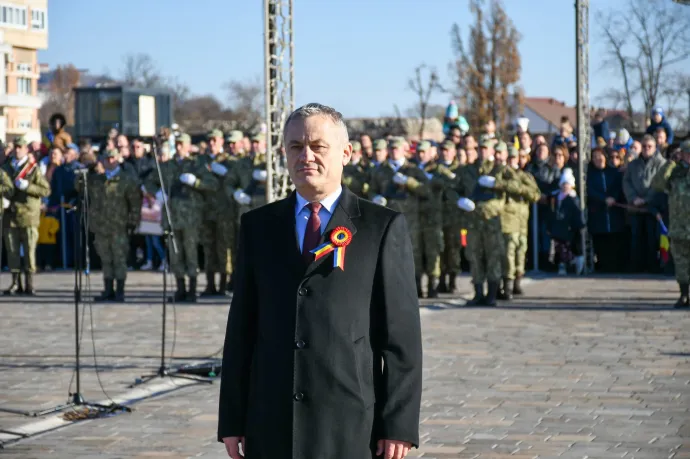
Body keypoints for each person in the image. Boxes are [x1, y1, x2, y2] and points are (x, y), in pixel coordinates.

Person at [218, 103, 422, 459]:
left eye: (318, 146)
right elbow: (241, 332)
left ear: (346, 153)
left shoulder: (381, 227)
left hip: (348, 423)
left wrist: (398, 425)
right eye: (295, 147)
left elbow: (401, 339)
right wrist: (233, 418)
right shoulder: (258, 226)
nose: (306, 156)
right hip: (272, 421)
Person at [144, 133, 218, 302]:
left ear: (187, 146)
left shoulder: (196, 165)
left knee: (190, 253)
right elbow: (149, 181)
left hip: (191, 217)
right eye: (176, 144)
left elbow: (212, 184)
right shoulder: (167, 166)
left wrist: (196, 183)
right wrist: (156, 193)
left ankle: (192, 289)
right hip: (171, 216)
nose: (178, 148)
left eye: (181, 144)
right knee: (175, 254)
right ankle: (180, 289)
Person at [455, 140, 521, 306]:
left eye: (486, 148)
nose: (483, 151)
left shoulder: (500, 170)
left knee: (493, 257)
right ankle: (478, 293)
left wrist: (496, 183)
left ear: (492, 150)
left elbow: (517, 186)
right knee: (475, 256)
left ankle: (492, 294)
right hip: (473, 221)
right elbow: (452, 188)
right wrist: (458, 200)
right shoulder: (467, 170)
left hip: (492, 221)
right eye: (480, 148)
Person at [369, 136, 431, 297]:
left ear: (404, 150)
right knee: (387, 252)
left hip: (410, 219)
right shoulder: (380, 171)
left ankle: (415, 287)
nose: (395, 151)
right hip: (386, 219)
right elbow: (371, 190)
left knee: (413, 253)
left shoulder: (413, 170)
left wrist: (409, 182)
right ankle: (390, 289)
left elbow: (426, 191)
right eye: (392, 148)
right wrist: (375, 197)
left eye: (398, 148)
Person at [79, 149, 142, 302]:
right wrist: (86, 171)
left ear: (118, 159)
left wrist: (133, 222)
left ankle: (120, 290)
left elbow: (135, 203)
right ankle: (108, 289)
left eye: (112, 158)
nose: (110, 161)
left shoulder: (126, 179)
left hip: (119, 226)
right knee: (106, 259)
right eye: (107, 158)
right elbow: (79, 187)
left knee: (119, 259)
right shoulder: (97, 179)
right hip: (101, 226)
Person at [2, 136, 51, 295]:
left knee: (29, 251)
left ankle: (29, 283)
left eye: (21, 147)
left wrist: (28, 186)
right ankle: (16, 282)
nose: (17, 150)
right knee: (12, 251)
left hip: (29, 215)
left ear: (26, 150)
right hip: (10, 215)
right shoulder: (5, 168)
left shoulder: (33, 169)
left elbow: (45, 190)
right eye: (15, 147)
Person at [652, 140, 690, 307]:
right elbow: (657, 184)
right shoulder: (675, 172)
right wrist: (670, 163)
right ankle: (684, 295)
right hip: (679, 226)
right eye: (685, 153)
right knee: (681, 264)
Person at [499, 147, 540, 299]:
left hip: (522, 220)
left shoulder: (525, 176)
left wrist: (519, 188)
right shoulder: (501, 175)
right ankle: (507, 284)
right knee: (508, 251)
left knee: (521, 251)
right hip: (506, 220)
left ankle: (517, 281)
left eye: (514, 157)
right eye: (509, 157)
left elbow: (535, 194)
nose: (512, 160)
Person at [623, 135, 667, 273]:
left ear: (655, 148)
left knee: (651, 239)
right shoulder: (633, 164)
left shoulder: (662, 164)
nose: (646, 149)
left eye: (650, 146)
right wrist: (633, 197)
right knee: (636, 238)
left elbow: (660, 184)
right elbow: (626, 181)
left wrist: (646, 199)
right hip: (635, 208)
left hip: (653, 209)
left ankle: (652, 267)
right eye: (644, 146)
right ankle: (636, 267)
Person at [586, 148, 626, 273]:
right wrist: (604, 199)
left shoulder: (613, 172)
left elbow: (618, 187)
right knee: (601, 242)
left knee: (614, 240)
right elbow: (590, 190)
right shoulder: (590, 174)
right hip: (598, 212)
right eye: (595, 157)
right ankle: (602, 267)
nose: (598, 159)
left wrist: (613, 197)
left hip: (614, 212)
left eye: (600, 156)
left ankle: (615, 267)